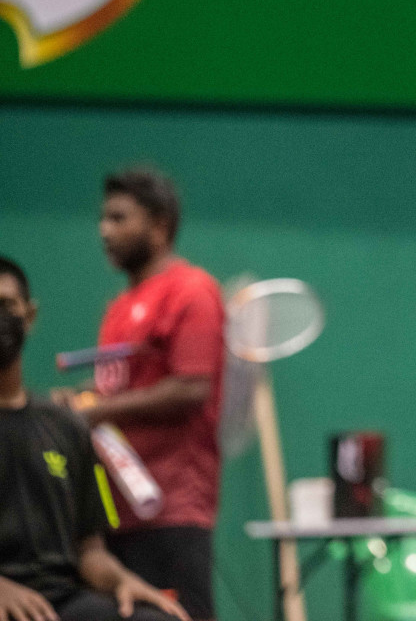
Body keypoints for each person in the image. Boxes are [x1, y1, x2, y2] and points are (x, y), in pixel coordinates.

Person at [67, 170, 225, 621]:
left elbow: (191, 386)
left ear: (159, 225)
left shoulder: (192, 291)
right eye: (102, 218)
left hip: (172, 511)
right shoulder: (118, 308)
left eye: (119, 218)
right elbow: (117, 391)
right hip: (113, 519)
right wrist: (77, 402)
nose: (104, 230)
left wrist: (95, 410)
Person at [0, 256, 191, 621]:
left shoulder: (66, 426)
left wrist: (122, 579)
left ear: (30, 315)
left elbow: (90, 550)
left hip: (61, 601)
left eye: (6, 305)